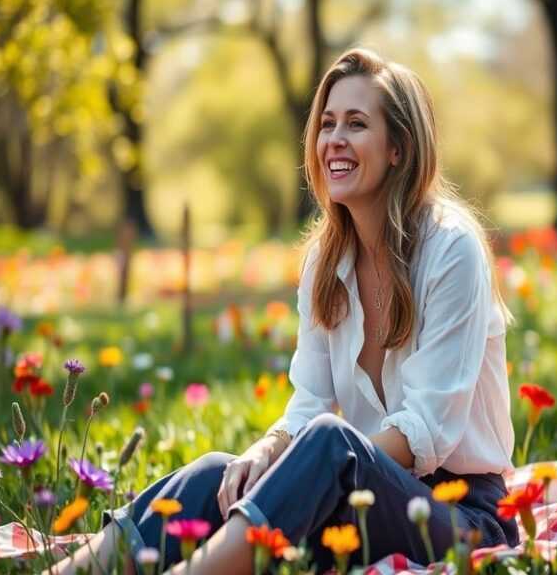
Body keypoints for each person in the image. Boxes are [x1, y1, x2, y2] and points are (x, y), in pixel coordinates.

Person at [47, 46, 518, 575]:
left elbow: (428, 430)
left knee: (330, 442)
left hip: (462, 517)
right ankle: (71, 571)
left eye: (357, 124)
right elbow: (310, 399)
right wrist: (267, 452)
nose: (334, 139)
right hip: (360, 495)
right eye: (327, 123)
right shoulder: (325, 262)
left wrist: (313, 459)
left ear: (398, 149)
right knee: (218, 473)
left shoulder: (450, 250)